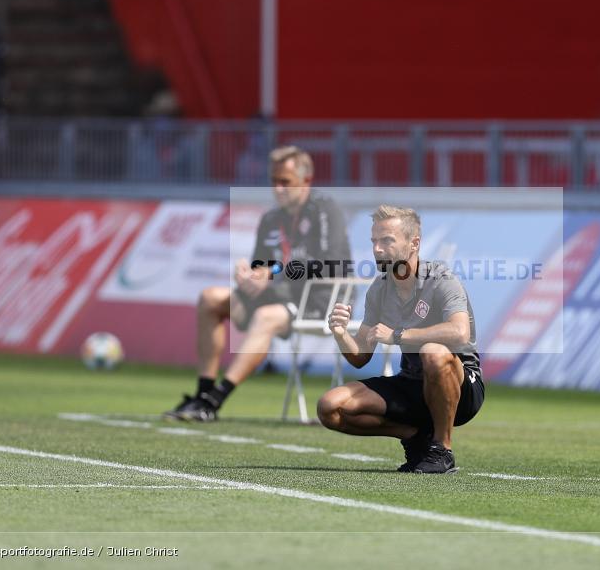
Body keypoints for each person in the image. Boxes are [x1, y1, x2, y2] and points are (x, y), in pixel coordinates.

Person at [165, 145, 352, 421]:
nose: (278, 189)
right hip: (279, 294)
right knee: (210, 298)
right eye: (274, 182)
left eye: (285, 182)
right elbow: (260, 266)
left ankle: (215, 401)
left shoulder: (325, 210)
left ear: (306, 181)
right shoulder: (271, 218)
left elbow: (331, 265)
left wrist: (274, 272)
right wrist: (249, 275)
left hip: (321, 301)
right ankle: (202, 393)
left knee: (266, 316)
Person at [317, 205, 484, 474]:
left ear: (414, 243)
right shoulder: (379, 289)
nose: (377, 249)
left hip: (462, 388)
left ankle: (442, 449)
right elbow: (360, 357)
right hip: (412, 383)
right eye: (374, 241)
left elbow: (460, 333)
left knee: (433, 352)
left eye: (387, 241)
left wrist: (398, 335)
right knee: (329, 407)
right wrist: (340, 333)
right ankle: (415, 435)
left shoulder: (442, 280)